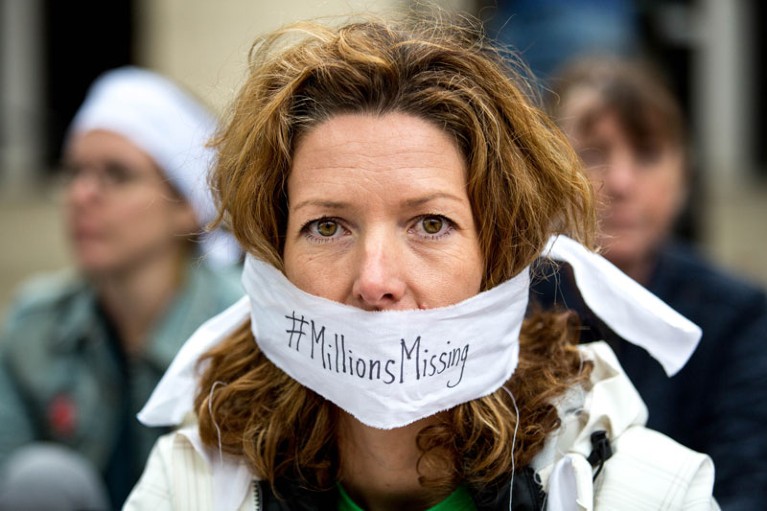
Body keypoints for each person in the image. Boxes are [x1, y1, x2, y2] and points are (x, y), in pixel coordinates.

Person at [125, 14, 718, 510]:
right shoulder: (191, 485)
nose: (375, 282)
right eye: (326, 226)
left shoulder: (644, 490)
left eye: (431, 224)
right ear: (272, 263)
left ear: (500, 258)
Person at [0, 67, 244, 510]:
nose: (82, 194)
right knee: (41, 479)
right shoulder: (34, 325)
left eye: (116, 174)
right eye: (75, 171)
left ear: (188, 205)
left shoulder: (243, 330)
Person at [534, 55, 767, 509]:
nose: (620, 181)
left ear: (684, 176)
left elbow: (745, 484)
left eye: (647, 154)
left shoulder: (740, 318)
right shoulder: (500, 306)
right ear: (542, 170)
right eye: (593, 153)